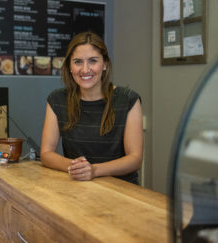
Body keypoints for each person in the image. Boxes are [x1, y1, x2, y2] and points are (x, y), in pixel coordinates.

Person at [40, 31, 143, 184]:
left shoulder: (128, 99)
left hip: (122, 192)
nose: (85, 69)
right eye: (78, 62)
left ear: (105, 64)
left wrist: (94, 170)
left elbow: (135, 159)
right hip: (78, 190)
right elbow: (46, 153)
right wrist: (77, 168)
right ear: (69, 66)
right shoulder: (57, 100)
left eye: (93, 61)